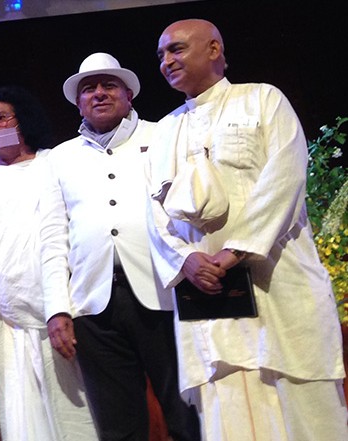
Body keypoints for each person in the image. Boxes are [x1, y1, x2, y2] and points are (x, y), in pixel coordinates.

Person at [149, 19, 347, 439]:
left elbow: (285, 179)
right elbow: (155, 212)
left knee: (305, 409)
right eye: (161, 55)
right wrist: (186, 260)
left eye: (177, 49)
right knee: (228, 409)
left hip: (277, 282)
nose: (166, 61)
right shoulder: (165, 129)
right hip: (208, 294)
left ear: (214, 49)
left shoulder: (262, 99)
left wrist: (235, 251)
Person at [40, 52, 200, 440]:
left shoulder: (162, 135)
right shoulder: (60, 157)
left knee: (186, 416)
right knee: (118, 427)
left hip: (163, 293)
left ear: (128, 94)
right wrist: (57, 308)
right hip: (94, 304)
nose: (98, 93)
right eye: (88, 89)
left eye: (109, 85)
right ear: (78, 102)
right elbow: (53, 236)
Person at [0, 87, 96, 441]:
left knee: (72, 415)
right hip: (4, 320)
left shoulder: (53, 164)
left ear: (23, 120)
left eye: (1, 117)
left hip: (58, 311)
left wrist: (59, 308)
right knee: (19, 419)